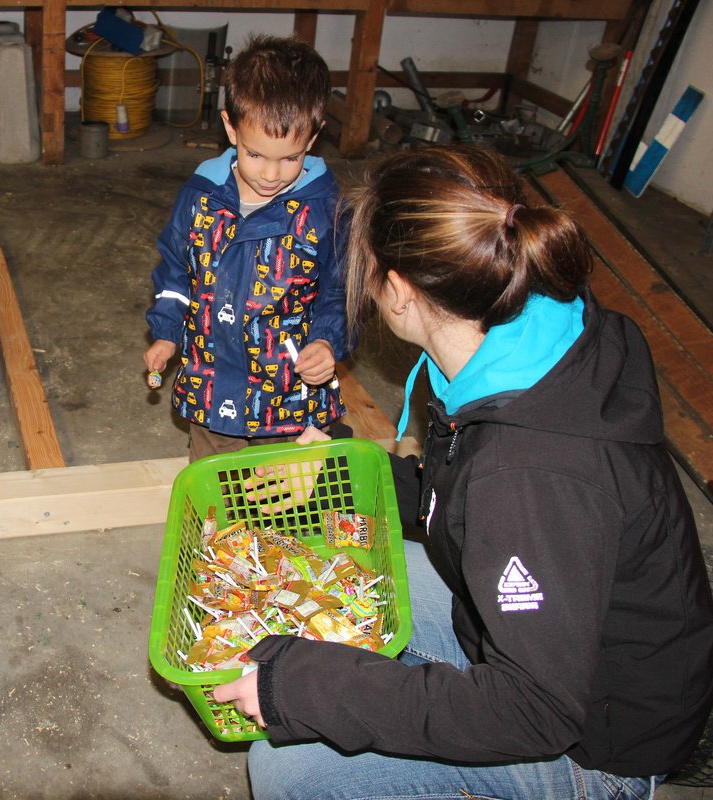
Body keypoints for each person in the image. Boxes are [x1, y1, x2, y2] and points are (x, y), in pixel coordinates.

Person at [211, 145, 713, 798]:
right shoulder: (527, 339)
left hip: (600, 742)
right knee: (343, 571)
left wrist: (311, 688)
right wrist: (345, 469)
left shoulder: (528, 473)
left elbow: (533, 710)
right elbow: (458, 499)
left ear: (398, 291)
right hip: (559, 640)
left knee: (288, 768)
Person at [143, 35, 350, 462]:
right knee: (215, 484)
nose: (271, 174)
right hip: (212, 382)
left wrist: (327, 343)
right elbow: (176, 273)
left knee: (287, 490)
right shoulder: (201, 197)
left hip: (289, 394)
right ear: (230, 127)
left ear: (314, 137)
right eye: (256, 155)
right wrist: (166, 332)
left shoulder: (325, 211)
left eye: (290, 158)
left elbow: (342, 291)